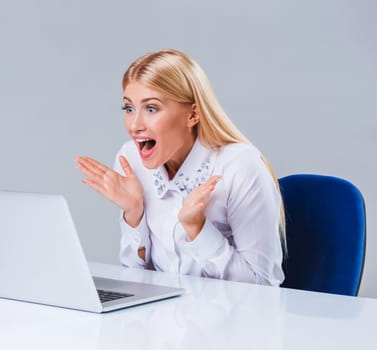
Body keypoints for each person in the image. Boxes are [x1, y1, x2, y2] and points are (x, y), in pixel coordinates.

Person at [76, 49, 285, 286]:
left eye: (151, 109)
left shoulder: (240, 166)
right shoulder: (131, 160)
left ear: (192, 114)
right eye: (129, 108)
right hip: (161, 316)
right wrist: (134, 213)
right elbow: (135, 276)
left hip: (229, 319)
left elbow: (263, 285)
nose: (134, 125)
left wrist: (198, 229)